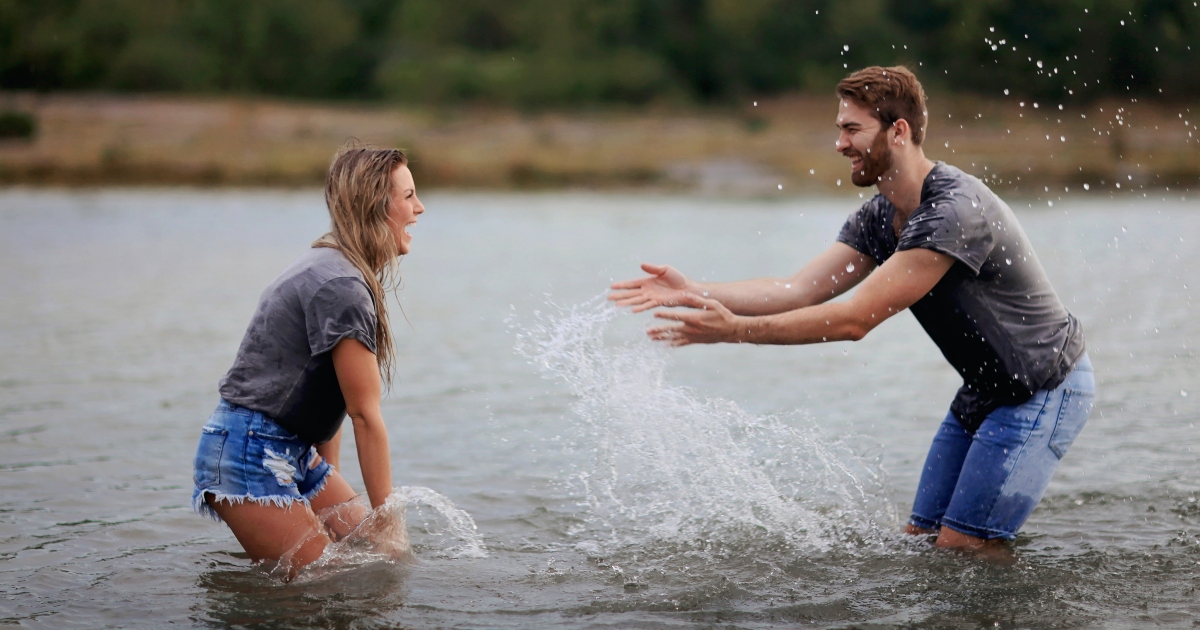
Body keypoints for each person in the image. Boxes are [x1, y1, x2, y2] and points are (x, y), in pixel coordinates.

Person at [609, 66, 1094, 553]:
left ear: (898, 131)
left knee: (964, 547)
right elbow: (798, 289)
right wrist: (696, 290)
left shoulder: (952, 211)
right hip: (985, 391)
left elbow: (854, 319)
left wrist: (734, 329)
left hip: (1042, 386)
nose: (839, 144)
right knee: (922, 542)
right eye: (839, 129)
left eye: (851, 129)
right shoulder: (880, 215)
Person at [191, 146, 423, 576]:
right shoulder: (342, 286)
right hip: (249, 451)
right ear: (375, 205)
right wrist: (387, 518)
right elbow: (364, 415)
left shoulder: (338, 268)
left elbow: (326, 398)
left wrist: (330, 497)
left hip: (290, 450)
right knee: (330, 583)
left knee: (381, 560)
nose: (419, 208)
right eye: (408, 197)